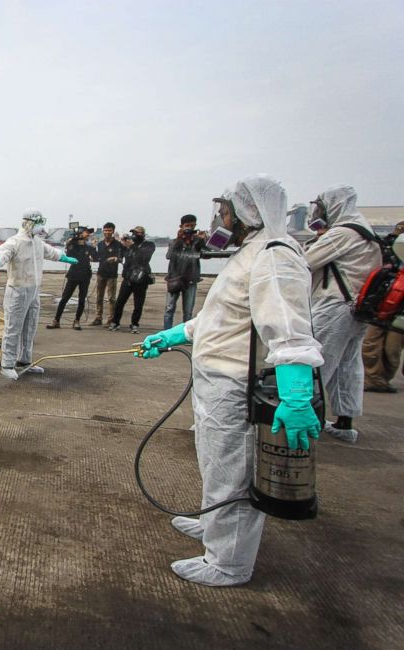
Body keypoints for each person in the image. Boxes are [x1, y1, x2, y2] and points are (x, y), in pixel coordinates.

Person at [137, 174, 323, 587]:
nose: (219, 220)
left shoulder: (274, 256)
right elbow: (221, 317)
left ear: (248, 211)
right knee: (215, 462)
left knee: (234, 470)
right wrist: (174, 335)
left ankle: (229, 562)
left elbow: (288, 328)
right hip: (215, 377)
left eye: (224, 212)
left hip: (236, 382)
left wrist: (296, 393)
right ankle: (213, 524)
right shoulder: (249, 253)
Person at [303, 185, 383, 443]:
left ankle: (306, 421)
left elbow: (305, 261)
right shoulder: (365, 230)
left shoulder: (342, 233)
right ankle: (344, 422)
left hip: (334, 306)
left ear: (334, 206)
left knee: (314, 364)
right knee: (347, 365)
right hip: (358, 307)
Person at [0, 208, 78, 379]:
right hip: (17, 291)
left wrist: (65, 258)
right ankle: (7, 364)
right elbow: (2, 253)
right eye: (38, 223)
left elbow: (52, 252)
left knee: (30, 327)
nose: (40, 226)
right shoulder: (15, 242)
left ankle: (25, 360)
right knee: (13, 328)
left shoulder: (38, 243)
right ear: (28, 223)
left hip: (34, 290)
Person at [362, 221, 404, 393]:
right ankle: (375, 379)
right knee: (370, 343)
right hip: (382, 303)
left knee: (391, 350)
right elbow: (383, 249)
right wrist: (394, 234)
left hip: (397, 309)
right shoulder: (393, 252)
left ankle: (380, 379)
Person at [48, 226, 96, 330]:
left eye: (89, 233)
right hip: (73, 274)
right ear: (80, 233)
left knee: (82, 299)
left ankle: (77, 321)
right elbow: (69, 256)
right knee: (65, 298)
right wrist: (70, 244)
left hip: (85, 275)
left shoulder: (89, 246)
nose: (88, 234)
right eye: (86, 232)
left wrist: (94, 247)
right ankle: (56, 320)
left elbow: (96, 258)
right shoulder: (73, 245)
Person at [163, 214, 206, 329]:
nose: (189, 229)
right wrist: (179, 239)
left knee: (188, 311)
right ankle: (167, 332)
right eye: (187, 226)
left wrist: (202, 241)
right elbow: (169, 256)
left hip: (191, 279)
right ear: (181, 226)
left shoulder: (197, 241)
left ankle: (185, 334)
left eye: (192, 226)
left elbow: (207, 254)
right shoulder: (174, 241)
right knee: (169, 308)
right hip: (174, 278)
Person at [109, 226, 155, 333]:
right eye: (133, 233)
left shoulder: (149, 245)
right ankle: (115, 322)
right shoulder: (130, 246)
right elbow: (123, 259)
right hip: (128, 277)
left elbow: (144, 258)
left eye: (137, 233)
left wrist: (131, 247)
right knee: (120, 301)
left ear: (143, 234)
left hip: (141, 278)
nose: (134, 235)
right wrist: (120, 252)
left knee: (138, 303)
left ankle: (134, 324)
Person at [91, 222, 123, 326]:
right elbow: (96, 258)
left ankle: (110, 318)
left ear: (113, 231)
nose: (107, 232)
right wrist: (92, 248)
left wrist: (115, 259)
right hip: (101, 273)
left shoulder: (118, 245)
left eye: (109, 230)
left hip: (112, 274)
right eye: (105, 230)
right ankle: (98, 317)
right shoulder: (100, 244)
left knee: (111, 298)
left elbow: (121, 258)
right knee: (99, 297)